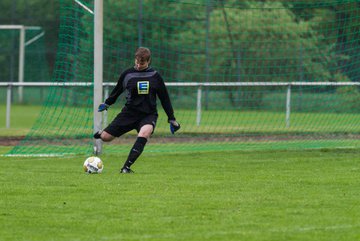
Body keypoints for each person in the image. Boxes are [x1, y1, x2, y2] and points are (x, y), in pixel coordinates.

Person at [94, 47, 180, 173]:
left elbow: (165, 98)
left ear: (148, 61)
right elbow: (117, 90)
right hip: (129, 113)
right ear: (135, 59)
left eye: (142, 63)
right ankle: (102, 133)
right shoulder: (127, 74)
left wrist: (171, 118)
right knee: (106, 138)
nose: (139, 65)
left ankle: (126, 167)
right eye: (137, 62)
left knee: (145, 133)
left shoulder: (155, 76)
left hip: (148, 115)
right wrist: (107, 103)